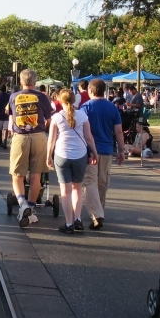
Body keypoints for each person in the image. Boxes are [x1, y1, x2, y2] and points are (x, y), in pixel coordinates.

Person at [46, 88, 98, 233]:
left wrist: (48, 156)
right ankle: (78, 219)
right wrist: (94, 153)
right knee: (77, 188)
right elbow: (89, 138)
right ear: (74, 100)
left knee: (65, 191)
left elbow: (51, 140)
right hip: (80, 155)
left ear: (60, 100)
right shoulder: (82, 115)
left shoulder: (56, 117)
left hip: (62, 155)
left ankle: (69, 223)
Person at [8, 69, 54, 228]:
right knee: (36, 176)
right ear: (35, 82)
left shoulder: (14, 96)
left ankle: (22, 204)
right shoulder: (43, 97)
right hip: (39, 136)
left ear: (21, 81)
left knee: (17, 175)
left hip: (20, 137)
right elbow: (49, 119)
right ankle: (31, 209)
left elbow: (11, 116)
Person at [79, 79, 125, 229]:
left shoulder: (85, 107)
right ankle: (100, 209)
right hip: (106, 149)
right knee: (102, 182)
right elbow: (118, 131)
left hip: (90, 150)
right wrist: (121, 150)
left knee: (90, 182)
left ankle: (96, 213)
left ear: (91, 91)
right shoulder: (112, 107)